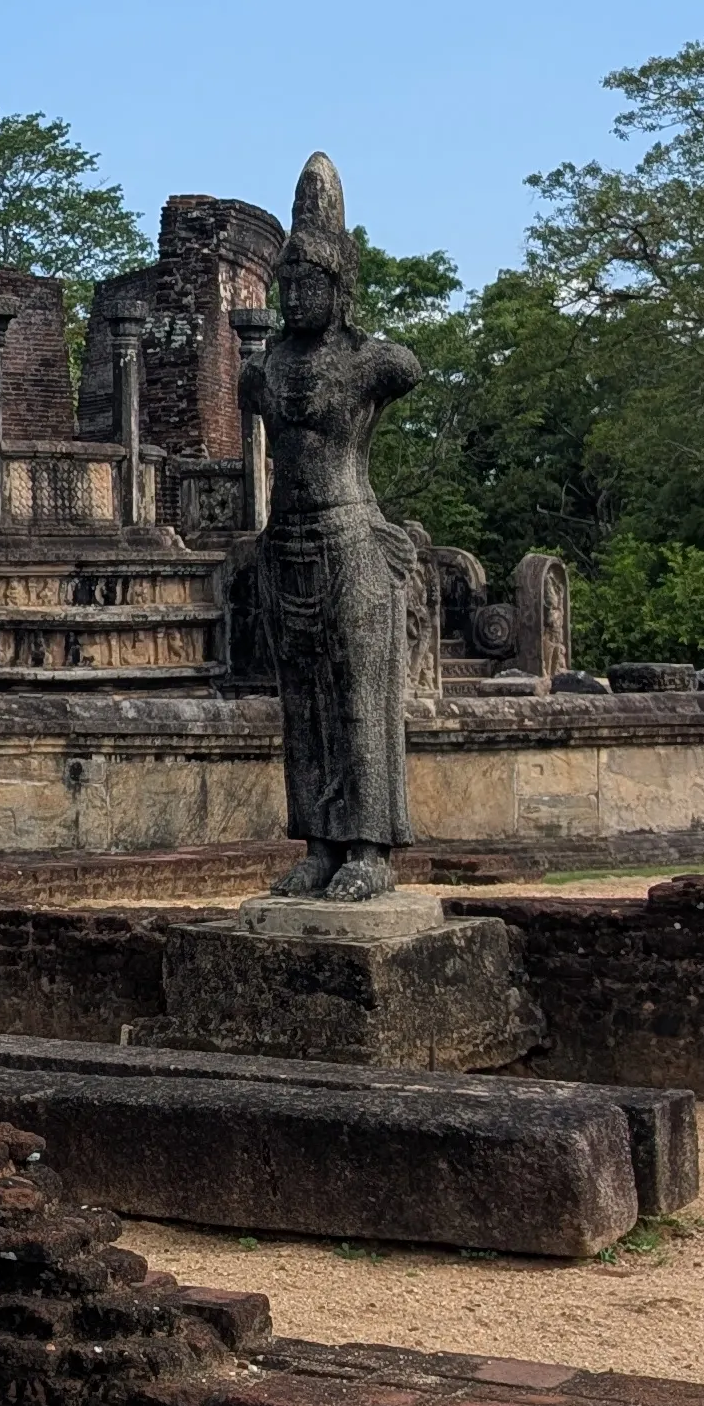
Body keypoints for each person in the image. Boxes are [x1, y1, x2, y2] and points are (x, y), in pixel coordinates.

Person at [238, 151, 425, 899]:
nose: (296, 297)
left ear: (340, 289)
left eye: (311, 283)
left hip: (352, 539)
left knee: (360, 699)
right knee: (304, 703)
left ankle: (369, 848)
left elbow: (407, 365)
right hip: (284, 542)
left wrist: (357, 336)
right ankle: (318, 841)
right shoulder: (263, 371)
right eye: (287, 284)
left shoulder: (370, 363)